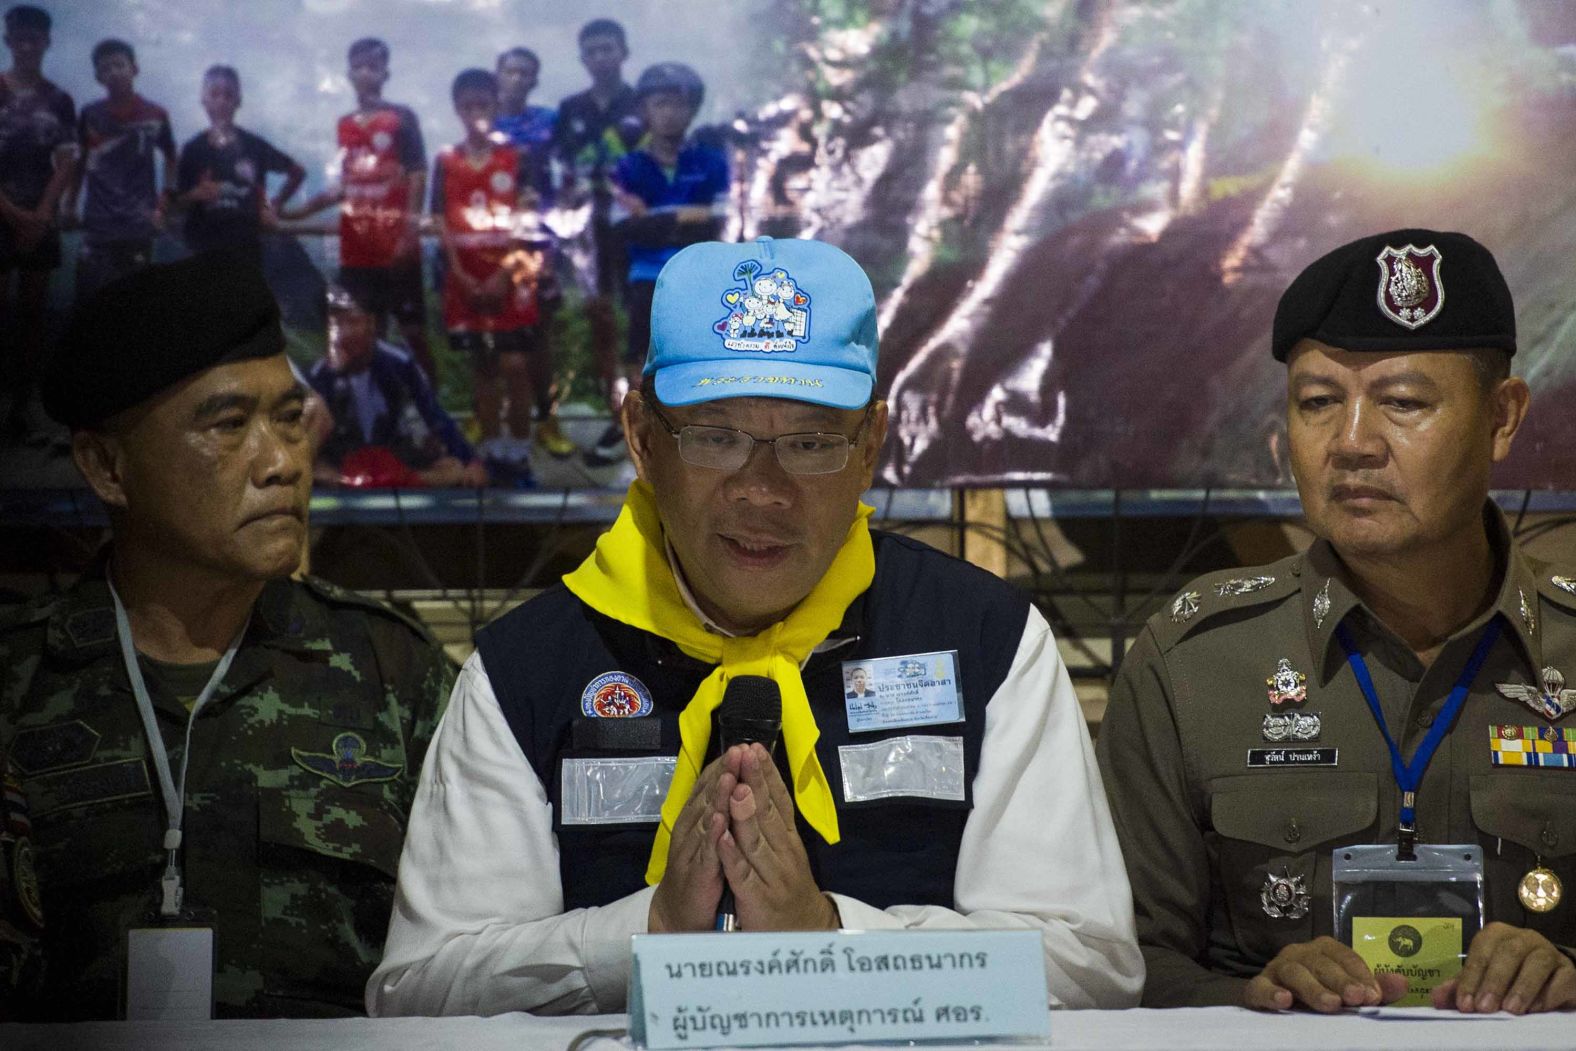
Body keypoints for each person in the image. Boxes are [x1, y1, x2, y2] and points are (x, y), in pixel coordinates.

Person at [367, 236, 1143, 1015]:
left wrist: (830, 939)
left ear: (870, 444)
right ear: (640, 435)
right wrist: (650, 931)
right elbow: (419, 987)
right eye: (716, 436)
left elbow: (1090, 966)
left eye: (809, 443)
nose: (761, 492)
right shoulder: (526, 669)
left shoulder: (987, 642)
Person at [1097, 229, 1576, 1014]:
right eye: (1318, 402)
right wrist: (1252, 997)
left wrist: (1566, 977)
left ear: (1502, 416)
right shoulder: (1194, 662)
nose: (1352, 442)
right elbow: (1120, 961)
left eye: (1403, 402)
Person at [0, 250, 453, 1019]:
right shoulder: (20, 684)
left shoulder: (391, 670)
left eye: (288, 419)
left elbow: (465, 963)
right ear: (108, 466)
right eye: (229, 425)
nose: (282, 463)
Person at [585, 61, 727, 467]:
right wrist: (683, 217)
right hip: (647, 275)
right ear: (644, 110)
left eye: (679, 104)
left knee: (698, 350)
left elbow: (721, 218)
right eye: (660, 103)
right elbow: (628, 227)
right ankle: (634, 428)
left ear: (693, 110)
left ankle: (693, 430)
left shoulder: (712, 162)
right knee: (639, 353)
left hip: (702, 272)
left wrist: (659, 219)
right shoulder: (627, 167)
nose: (669, 113)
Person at [433, 69, 571, 469]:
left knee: (515, 364)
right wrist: (458, 274)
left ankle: (520, 449)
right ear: (457, 109)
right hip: (465, 277)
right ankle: (493, 449)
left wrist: (503, 272)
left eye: (484, 105)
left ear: (496, 106)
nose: (476, 113)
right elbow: (439, 220)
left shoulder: (518, 158)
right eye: (468, 106)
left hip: (510, 276)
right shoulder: (446, 160)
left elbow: (526, 220)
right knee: (484, 366)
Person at [283, 38, 432, 380]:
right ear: (349, 74)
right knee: (365, 335)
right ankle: (378, 413)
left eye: (373, 66)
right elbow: (343, 187)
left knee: (413, 335)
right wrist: (291, 215)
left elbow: (417, 175)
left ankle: (430, 416)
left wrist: (408, 234)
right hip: (357, 251)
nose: (365, 73)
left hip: (395, 246)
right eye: (358, 66)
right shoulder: (345, 125)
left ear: (385, 73)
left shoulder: (401, 118)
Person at [556, 17, 641, 464]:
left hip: (637, 232)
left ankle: (652, 416)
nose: (601, 57)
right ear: (583, 59)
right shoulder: (570, 109)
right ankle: (617, 417)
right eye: (592, 51)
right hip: (589, 233)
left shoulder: (642, 104)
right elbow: (558, 172)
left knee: (645, 325)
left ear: (624, 52)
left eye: (609, 48)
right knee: (602, 321)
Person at [308, 285, 488, 489]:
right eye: (337, 325)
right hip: (345, 466)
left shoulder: (399, 364)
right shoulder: (320, 375)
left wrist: (470, 460)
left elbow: (432, 415)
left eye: (353, 322)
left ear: (371, 324)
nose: (346, 332)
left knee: (452, 468)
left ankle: (394, 482)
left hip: (397, 460)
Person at [0, 4, 75, 438]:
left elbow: (65, 160)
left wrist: (42, 213)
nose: (27, 45)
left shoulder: (60, 100)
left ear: (46, 43)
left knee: (32, 316)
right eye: (19, 37)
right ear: (8, 41)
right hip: (1, 214)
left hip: (39, 217)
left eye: (35, 38)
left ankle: (23, 408)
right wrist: (13, 214)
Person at [66, 37, 175, 301]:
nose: (113, 72)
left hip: (138, 225)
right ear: (98, 77)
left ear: (134, 68)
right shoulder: (90, 115)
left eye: (119, 65)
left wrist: (163, 205)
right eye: (105, 68)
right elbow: (80, 162)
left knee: (133, 306)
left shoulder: (155, 115)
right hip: (97, 226)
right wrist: (69, 205)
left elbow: (172, 157)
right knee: (89, 303)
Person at [175, 64, 304, 264]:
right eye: (215, 94)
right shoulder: (192, 149)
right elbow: (178, 202)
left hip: (246, 250)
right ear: (204, 99)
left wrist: (274, 205)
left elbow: (297, 172)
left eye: (228, 95)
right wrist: (197, 194)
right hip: (202, 248)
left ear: (238, 101)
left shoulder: (254, 146)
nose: (221, 102)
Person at [494, 46, 555, 208]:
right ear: (497, 77)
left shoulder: (549, 119)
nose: (516, 79)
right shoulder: (485, 123)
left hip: (543, 211)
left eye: (524, 74)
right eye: (510, 72)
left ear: (534, 82)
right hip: (497, 209)